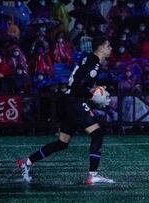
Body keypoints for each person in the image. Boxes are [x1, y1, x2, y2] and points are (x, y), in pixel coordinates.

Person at [17, 36, 114, 185]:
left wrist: (93, 91)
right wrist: (92, 96)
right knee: (97, 134)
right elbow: (77, 88)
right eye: (108, 46)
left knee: (62, 142)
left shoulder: (89, 59)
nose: (110, 48)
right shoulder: (94, 63)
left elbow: (78, 83)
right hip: (74, 102)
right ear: (100, 48)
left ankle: (27, 162)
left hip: (68, 101)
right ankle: (93, 175)